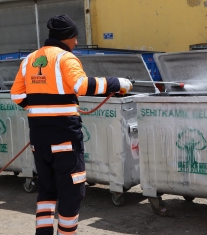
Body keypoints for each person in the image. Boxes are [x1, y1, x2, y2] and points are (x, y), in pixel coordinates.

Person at [10, 14, 132, 235]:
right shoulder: (65, 58)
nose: (76, 42)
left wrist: (41, 109)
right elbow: (81, 85)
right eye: (75, 38)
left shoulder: (29, 60)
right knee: (71, 193)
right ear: (67, 37)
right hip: (65, 141)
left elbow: (16, 96)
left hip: (40, 141)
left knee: (47, 191)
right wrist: (117, 82)